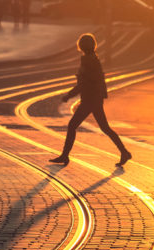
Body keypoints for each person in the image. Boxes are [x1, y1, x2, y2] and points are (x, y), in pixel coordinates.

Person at [50, 33, 131, 167]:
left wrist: (69, 95)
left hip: (90, 100)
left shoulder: (88, 60)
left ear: (81, 46)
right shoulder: (93, 58)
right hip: (94, 99)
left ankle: (65, 156)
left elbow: (83, 83)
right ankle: (124, 152)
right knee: (105, 128)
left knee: (72, 126)